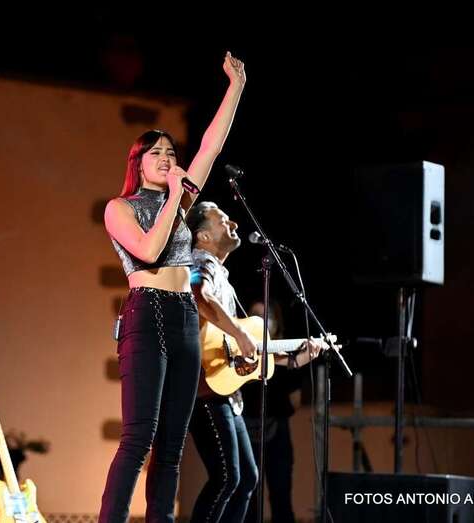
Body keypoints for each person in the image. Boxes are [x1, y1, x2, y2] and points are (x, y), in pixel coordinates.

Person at [99, 52, 246, 523]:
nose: (166, 158)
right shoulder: (119, 207)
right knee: (138, 437)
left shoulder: (180, 196)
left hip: (183, 315)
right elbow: (147, 249)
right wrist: (174, 200)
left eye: (170, 152)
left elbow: (211, 146)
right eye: (155, 153)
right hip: (146, 314)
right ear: (139, 163)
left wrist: (235, 88)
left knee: (172, 447)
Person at [185, 202, 324, 523]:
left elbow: (238, 350)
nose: (232, 222)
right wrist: (240, 333)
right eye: (222, 219)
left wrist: (292, 359)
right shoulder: (202, 259)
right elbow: (197, 291)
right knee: (228, 478)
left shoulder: (223, 274)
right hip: (205, 391)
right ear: (203, 235)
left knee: (246, 478)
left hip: (223, 392)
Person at [242, 300, 299, 523]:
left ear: (277, 323)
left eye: (267, 316)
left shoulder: (285, 357)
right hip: (245, 430)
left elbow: (295, 402)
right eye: (255, 315)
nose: (261, 321)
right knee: (248, 498)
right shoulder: (239, 354)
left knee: (281, 495)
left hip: (277, 432)